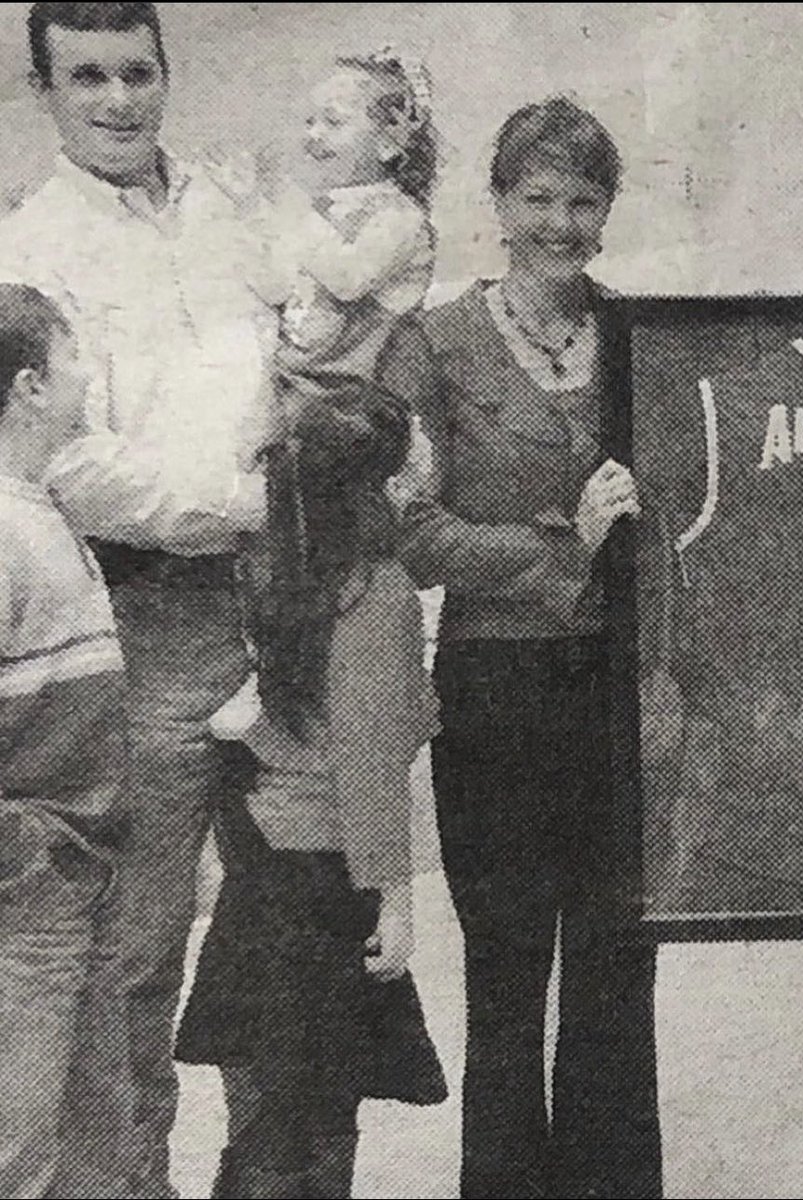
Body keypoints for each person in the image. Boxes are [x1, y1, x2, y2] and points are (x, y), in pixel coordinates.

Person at [0, 6, 277, 1195]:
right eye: (88, 78)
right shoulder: (29, 247)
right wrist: (238, 507)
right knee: (135, 954)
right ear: (44, 91)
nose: (118, 101)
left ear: (167, 74)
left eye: (138, 73)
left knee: (290, 937)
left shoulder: (231, 212)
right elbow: (69, 461)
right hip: (145, 622)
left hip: (279, 614)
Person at [376, 95, 658, 1200]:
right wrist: (561, 540)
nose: (560, 221)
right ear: (497, 203)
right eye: (537, 197)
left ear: (606, 211)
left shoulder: (638, 336)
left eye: (582, 200)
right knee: (504, 976)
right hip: (493, 691)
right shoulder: (430, 345)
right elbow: (405, 531)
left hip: (623, 696)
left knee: (616, 968)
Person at [174, 371, 442, 1200]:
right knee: (318, 1123)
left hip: (261, 869)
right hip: (328, 883)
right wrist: (395, 899)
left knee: (260, 1114)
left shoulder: (268, 574)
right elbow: (369, 768)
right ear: (386, 484)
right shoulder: (380, 592)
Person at [204, 42, 440, 734]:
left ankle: (311, 681)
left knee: (318, 556)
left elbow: (342, 277)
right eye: (310, 121)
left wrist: (286, 208)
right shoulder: (325, 212)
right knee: (264, 543)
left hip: (354, 411)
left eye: (333, 122)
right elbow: (282, 288)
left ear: (392, 138)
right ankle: (270, 672)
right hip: (301, 397)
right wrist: (251, 210)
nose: (313, 137)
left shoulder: (398, 218)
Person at [0, 284, 131, 1198]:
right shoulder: (6, 530)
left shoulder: (39, 512)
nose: (91, 373)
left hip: (75, 869)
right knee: (17, 1141)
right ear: (31, 387)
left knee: (87, 1141)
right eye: (74, 354)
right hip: (31, 877)